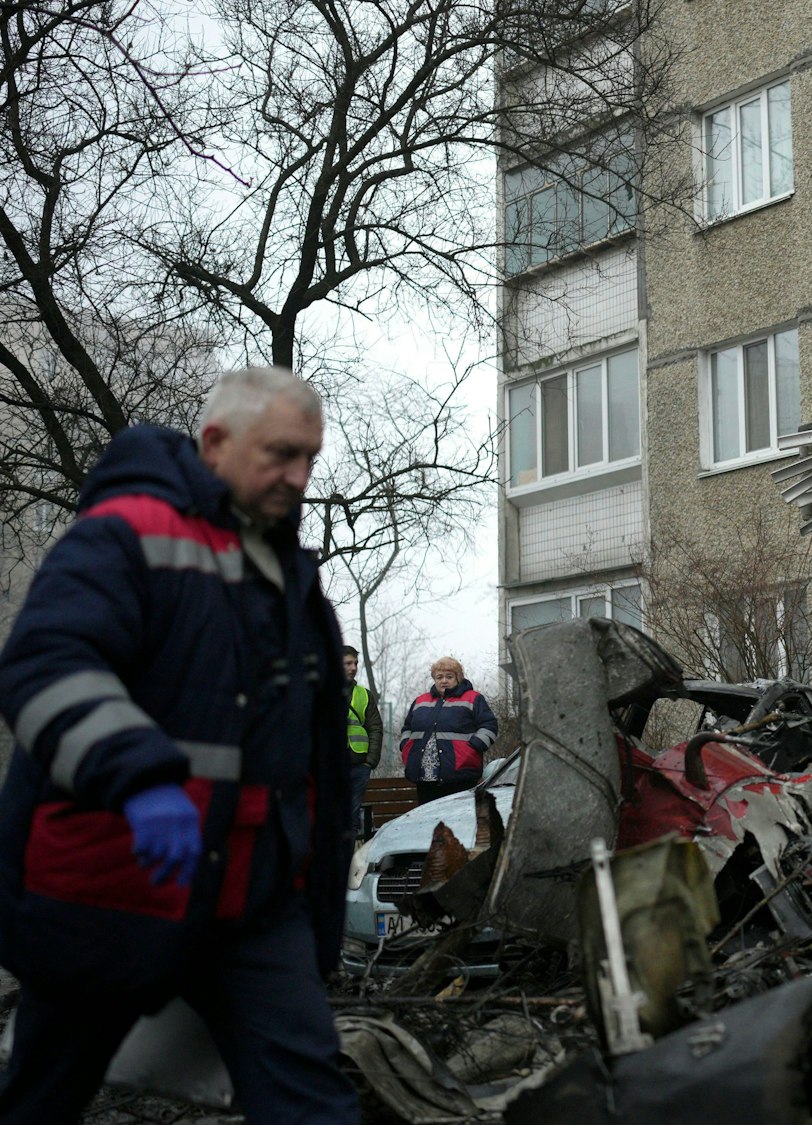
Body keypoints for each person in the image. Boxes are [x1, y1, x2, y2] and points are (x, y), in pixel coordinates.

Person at [0, 366, 358, 1122]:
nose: (299, 478)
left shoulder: (287, 568)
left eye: (309, 459)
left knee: (312, 1103)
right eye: (281, 454)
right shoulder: (126, 534)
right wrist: (139, 777)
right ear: (215, 442)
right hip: (116, 887)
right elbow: (48, 665)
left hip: (255, 905)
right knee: (42, 1098)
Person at [397, 657, 497, 804]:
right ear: (434, 679)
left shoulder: (473, 698)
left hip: (460, 774)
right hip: (424, 776)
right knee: (427, 816)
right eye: (439, 677)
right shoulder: (420, 701)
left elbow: (489, 725)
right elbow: (407, 728)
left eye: (449, 677)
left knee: (458, 816)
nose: (444, 681)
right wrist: (406, 745)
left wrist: (474, 746)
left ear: (458, 678)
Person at [342, 645, 383, 835]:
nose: (353, 668)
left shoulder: (364, 695)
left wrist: (369, 762)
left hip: (358, 765)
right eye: (348, 663)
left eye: (355, 663)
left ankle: (348, 853)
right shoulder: (321, 692)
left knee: (350, 820)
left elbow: (375, 728)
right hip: (329, 766)